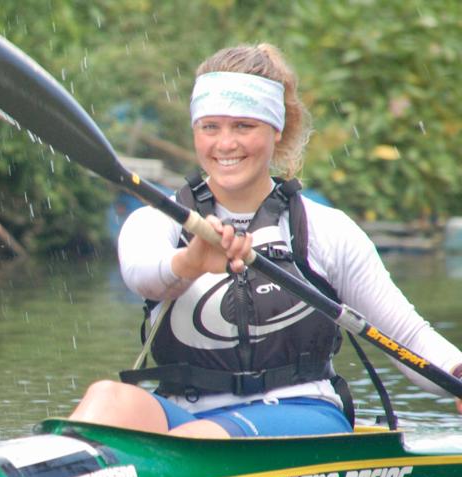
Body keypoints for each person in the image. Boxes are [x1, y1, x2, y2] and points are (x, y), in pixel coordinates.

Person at [70, 43, 462, 437]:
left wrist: (459, 373)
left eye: (243, 126)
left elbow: (408, 339)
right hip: (185, 414)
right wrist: (191, 263)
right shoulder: (157, 222)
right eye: (210, 127)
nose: (225, 144)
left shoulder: (326, 230)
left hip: (301, 412)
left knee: (199, 438)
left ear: (275, 129)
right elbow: (142, 275)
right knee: (109, 398)